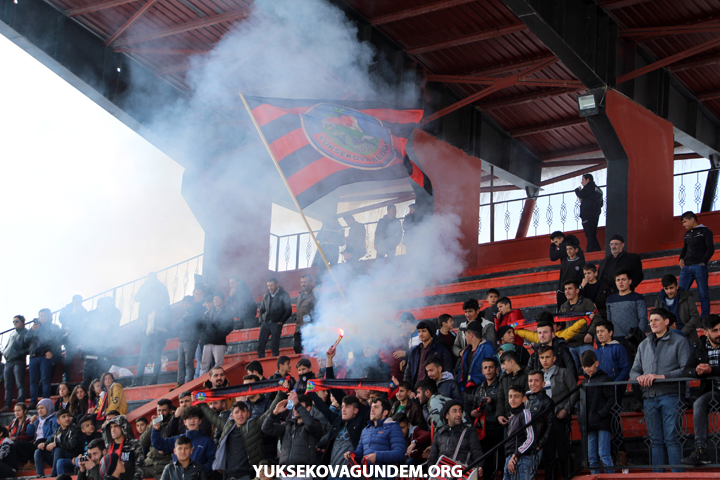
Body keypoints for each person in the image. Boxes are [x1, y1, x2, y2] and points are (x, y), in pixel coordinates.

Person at [630, 308, 692, 472]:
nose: (652, 323)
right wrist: (639, 378)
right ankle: (658, 475)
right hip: (649, 397)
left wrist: (660, 376)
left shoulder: (679, 341)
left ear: (666, 322)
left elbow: (687, 369)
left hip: (671, 395)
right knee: (655, 440)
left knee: (672, 439)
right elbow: (634, 371)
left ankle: (677, 476)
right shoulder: (643, 344)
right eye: (651, 320)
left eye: (656, 320)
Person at [199, 393, 283, 478]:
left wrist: (281, 394)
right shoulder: (227, 427)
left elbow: (269, 412)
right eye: (237, 412)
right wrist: (199, 401)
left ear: (248, 414)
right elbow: (212, 417)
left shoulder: (255, 425)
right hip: (228, 474)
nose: (240, 414)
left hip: (248, 474)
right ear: (232, 415)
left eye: (243, 411)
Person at [682, 314, 720, 466]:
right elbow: (687, 370)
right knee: (699, 403)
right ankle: (701, 450)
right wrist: (697, 371)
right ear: (706, 332)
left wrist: (712, 370)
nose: (719, 334)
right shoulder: (700, 345)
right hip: (715, 392)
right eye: (715, 330)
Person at [537, 346, 578, 480]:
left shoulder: (564, 373)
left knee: (562, 451)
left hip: (559, 416)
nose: (545, 360)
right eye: (542, 358)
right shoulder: (538, 376)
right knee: (547, 453)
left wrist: (566, 409)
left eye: (547, 357)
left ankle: (569, 476)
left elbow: (574, 392)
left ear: (554, 358)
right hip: (544, 418)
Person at [594, 321, 631, 465]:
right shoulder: (596, 351)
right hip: (600, 391)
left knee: (614, 421)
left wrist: (615, 385)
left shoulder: (618, 348)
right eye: (597, 332)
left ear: (610, 332)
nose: (599, 334)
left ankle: (621, 453)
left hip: (615, 390)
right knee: (604, 422)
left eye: (602, 331)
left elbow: (625, 369)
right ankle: (606, 454)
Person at [262, 392, 323, 466]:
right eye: (294, 406)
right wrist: (275, 413)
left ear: (308, 408)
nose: (295, 409)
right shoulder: (288, 425)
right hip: (285, 471)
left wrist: (297, 404)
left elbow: (310, 424)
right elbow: (266, 428)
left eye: (298, 406)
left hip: (303, 472)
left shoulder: (315, 424)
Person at [151, 407, 216, 474]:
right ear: (185, 422)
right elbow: (158, 444)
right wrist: (156, 430)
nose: (192, 421)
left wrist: (199, 472)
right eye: (189, 418)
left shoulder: (207, 441)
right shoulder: (176, 440)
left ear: (200, 421)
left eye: (195, 418)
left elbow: (213, 461)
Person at [133, 273, 171, 386]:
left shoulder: (164, 305)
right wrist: (142, 322)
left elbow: (168, 319)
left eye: (152, 293)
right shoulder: (145, 305)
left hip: (159, 334)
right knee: (142, 357)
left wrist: (160, 317)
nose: (150, 294)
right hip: (147, 334)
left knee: (156, 356)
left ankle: (155, 378)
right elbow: (137, 299)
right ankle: (138, 379)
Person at [344, 398, 405, 467]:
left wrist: (377, 456)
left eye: (376, 407)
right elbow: (360, 453)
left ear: (385, 412)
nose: (372, 410)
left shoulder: (393, 427)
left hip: (384, 476)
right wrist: (352, 454)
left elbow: (400, 453)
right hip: (366, 476)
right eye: (371, 407)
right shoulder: (366, 430)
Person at [580, 350, 615, 473]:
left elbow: (611, 400)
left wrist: (600, 414)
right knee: (592, 458)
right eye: (584, 367)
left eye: (589, 366)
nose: (587, 369)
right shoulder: (584, 383)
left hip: (602, 422)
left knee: (603, 453)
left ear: (596, 363)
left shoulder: (605, 379)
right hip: (590, 423)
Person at [427, 401, 483, 474]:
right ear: (447, 415)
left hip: (462, 474)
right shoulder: (439, 434)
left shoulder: (469, 432)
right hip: (442, 475)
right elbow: (432, 459)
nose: (459, 414)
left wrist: (479, 466)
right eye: (454, 411)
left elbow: (477, 453)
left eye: (460, 411)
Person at [559, 280, 601, 374]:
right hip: (569, 345)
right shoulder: (563, 307)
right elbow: (560, 326)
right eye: (565, 289)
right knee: (569, 374)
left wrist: (590, 333)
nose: (567, 291)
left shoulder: (587, 302)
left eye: (570, 288)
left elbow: (597, 318)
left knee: (590, 371)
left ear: (577, 290)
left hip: (584, 343)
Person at [606, 268, 648, 358]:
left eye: (623, 279)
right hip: (615, 340)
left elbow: (643, 318)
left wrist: (638, 336)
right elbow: (608, 320)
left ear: (630, 281)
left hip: (633, 341)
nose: (620, 282)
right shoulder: (610, 300)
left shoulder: (637, 297)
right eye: (618, 280)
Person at [25, 308, 62, 409]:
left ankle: (45, 400)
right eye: (41, 316)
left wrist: (52, 352)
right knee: (33, 381)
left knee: (45, 379)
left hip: (45, 356)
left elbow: (58, 341)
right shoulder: (35, 327)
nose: (43, 318)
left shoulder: (54, 327)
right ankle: (33, 402)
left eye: (45, 315)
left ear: (50, 316)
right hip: (33, 356)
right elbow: (26, 339)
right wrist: (32, 329)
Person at [680, 211, 715, 316]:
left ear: (692, 219)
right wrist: (681, 258)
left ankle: (705, 318)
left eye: (685, 221)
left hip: (699, 266)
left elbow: (710, 249)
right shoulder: (687, 234)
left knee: (703, 293)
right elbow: (685, 248)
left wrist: (702, 262)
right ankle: (681, 317)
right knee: (680, 293)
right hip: (686, 267)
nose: (684, 225)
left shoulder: (705, 231)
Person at [471, 358, 501, 480]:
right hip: (482, 429)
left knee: (499, 459)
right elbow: (473, 407)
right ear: (482, 371)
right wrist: (473, 413)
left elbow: (505, 404)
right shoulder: (479, 388)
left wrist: (492, 401)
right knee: (485, 460)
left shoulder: (501, 385)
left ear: (497, 369)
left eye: (491, 367)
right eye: (485, 368)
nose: (488, 370)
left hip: (497, 427)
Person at [83, 297, 121, 389]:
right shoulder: (90, 315)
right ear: (98, 305)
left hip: (104, 351)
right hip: (91, 351)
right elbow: (84, 328)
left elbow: (114, 330)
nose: (104, 307)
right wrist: (98, 326)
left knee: (102, 376)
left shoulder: (109, 316)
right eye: (103, 304)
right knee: (88, 376)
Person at [502, 386, 539, 480]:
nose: (512, 399)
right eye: (510, 396)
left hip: (521, 458)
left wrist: (516, 456)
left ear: (524, 399)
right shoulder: (512, 417)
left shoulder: (525, 413)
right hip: (510, 458)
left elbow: (531, 438)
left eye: (516, 396)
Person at [653, 274, 701, 344]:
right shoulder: (659, 300)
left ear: (677, 286)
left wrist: (682, 332)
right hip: (666, 337)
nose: (669, 291)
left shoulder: (687, 297)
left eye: (671, 288)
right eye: (666, 288)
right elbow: (656, 318)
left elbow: (695, 317)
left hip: (687, 336)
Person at [403, 321, 453, 388]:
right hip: (416, 391)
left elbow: (448, 372)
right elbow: (408, 373)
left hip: (434, 390)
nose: (420, 334)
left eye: (423, 331)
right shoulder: (414, 351)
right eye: (419, 331)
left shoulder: (441, 350)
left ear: (431, 332)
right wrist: (407, 390)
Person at [34, 408, 81, 477]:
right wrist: (42, 445)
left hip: (71, 458)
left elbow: (71, 445)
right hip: (58, 458)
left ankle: (54, 475)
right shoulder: (57, 431)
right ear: (58, 421)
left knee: (58, 449)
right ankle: (40, 475)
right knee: (38, 452)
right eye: (63, 417)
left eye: (68, 416)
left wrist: (56, 444)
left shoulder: (75, 429)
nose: (67, 418)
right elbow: (49, 441)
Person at [198, 292, 234, 376]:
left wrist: (218, 333)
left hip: (219, 342)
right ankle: (202, 382)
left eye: (217, 299)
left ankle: (218, 380)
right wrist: (203, 336)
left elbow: (230, 326)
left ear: (222, 300)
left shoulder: (227, 311)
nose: (215, 301)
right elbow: (202, 326)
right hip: (207, 341)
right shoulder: (208, 312)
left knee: (218, 364)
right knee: (204, 364)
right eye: (214, 299)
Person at [456, 321, 497, 393]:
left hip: (481, 391)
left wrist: (475, 381)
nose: (465, 337)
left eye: (465, 335)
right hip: (466, 391)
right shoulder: (466, 350)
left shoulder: (487, 348)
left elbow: (493, 370)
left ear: (471, 335)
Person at [257, 278, 292, 359]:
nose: (270, 288)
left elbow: (288, 311)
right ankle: (260, 362)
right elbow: (261, 310)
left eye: (271, 285)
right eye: (268, 286)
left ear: (277, 285)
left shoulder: (284, 295)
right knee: (260, 346)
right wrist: (261, 321)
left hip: (276, 323)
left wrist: (280, 322)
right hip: (265, 323)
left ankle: (274, 362)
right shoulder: (266, 295)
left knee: (274, 346)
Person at [103, 416, 144, 480]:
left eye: (116, 426)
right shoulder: (109, 447)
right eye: (111, 427)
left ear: (123, 427)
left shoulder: (134, 444)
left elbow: (140, 467)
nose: (113, 430)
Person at [141, 400, 174, 479]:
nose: (160, 413)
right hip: (150, 462)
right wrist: (153, 425)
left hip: (165, 464)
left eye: (164, 410)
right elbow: (142, 441)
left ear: (170, 411)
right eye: (159, 410)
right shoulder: (156, 422)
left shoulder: (174, 423)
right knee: (129, 473)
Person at [59, 294, 87, 383]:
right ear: (73, 302)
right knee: (69, 358)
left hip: (80, 336)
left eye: (80, 302)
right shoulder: (66, 309)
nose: (78, 304)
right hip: (69, 337)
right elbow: (62, 319)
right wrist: (72, 313)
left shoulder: (82, 309)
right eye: (77, 302)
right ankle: (66, 378)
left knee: (84, 354)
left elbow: (87, 320)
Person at [1, 315, 28, 412]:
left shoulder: (26, 333)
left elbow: (29, 348)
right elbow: (8, 344)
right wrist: (5, 351)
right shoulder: (12, 333)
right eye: (13, 322)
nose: (15, 323)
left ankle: (20, 402)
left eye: (16, 321)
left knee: (19, 383)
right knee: (7, 385)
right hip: (8, 361)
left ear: (22, 322)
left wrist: (20, 353)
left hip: (18, 361)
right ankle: (7, 405)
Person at [495, 352, 528, 427]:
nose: (502, 367)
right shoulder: (503, 377)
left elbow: (528, 398)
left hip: (523, 419)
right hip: (507, 420)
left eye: (503, 363)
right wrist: (499, 415)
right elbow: (500, 397)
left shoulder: (527, 375)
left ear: (512, 362)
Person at [176, 296, 203, 389]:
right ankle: (180, 382)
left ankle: (189, 381)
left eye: (186, 302)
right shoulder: (185, 313)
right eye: (184, 303)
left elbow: (189, 322)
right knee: (180, 362)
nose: (185, 304)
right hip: (182, 339)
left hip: (191, 339)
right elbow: (179, 324)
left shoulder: (195, 311)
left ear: (191, 303)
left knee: (188, 362)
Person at [574, 173, 604, 252]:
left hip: (587, 214)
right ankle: (597, 249)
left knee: (589, 233)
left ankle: (590, 250)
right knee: (592, 232)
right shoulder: (599, 190)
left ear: (588, 180)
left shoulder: (589, 186)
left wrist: (577, 190)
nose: (582, 182)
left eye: (583, 180)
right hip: (595, 214)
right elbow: (601, 204)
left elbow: (581, 194)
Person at [556, 237, 585, 309]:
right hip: (563, 291)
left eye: (570, 249)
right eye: (567, 249)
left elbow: (582, 277)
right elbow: (561, 276)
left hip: (575, 292)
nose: (568, 251)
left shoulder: (581, 262)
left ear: (576, 250)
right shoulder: (564, 262)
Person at [294, 274, 315, 354]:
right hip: (299, 327)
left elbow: (317, 311)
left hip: (309, 328)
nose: (303, 284)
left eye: (305, 282)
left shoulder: (314, 295)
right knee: (297, 348)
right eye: (302, 282)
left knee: (310, 350)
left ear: (310, 283)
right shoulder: (300, 295)